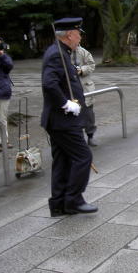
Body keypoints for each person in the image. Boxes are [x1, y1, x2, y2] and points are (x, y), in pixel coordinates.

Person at [41, 17, 98, 217]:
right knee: (83, 156)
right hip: (63, 120)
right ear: (69, 35)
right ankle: (73, 200)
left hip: (60, 120)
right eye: (78, 33)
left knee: (63, 160)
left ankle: (59, 203)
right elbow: (50, 84)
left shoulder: (61, 52)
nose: (80, 37)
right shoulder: (57, 54)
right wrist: (65, 103)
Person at [72, 45, 98, 146]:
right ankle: (77, 138)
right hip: (71, 88)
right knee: (73, 114)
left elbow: (91, 65)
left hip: (85, 87)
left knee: (88, 114)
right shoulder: (63, 53)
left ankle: (90, 135)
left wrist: (82, 70)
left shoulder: (83, 52)